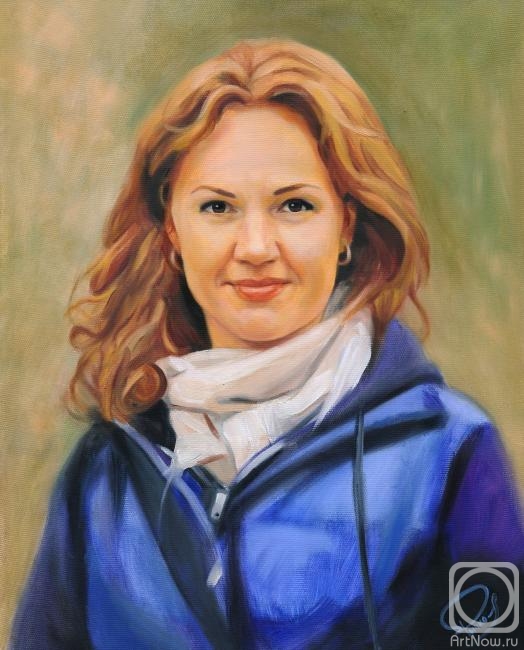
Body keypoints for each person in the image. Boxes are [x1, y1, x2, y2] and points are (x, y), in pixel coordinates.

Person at [10, 39, 523, 649]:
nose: (255, 247)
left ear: (346, 225)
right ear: (172, 230)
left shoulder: (447, 451)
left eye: (294, 205)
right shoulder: (108, 470)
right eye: (218, 207)